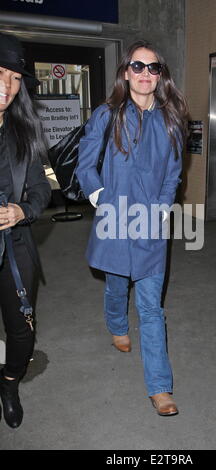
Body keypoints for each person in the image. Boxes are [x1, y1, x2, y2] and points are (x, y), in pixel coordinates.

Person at [76, 40, 188, 415]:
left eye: (152, 68)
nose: (144, 74)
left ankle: (160, 387)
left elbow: (173, 174)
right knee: (116, 285)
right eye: (137, 67)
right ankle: (116, 325)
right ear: (126, 72)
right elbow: (85, 166)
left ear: (160, 76)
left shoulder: (171, 120)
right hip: (114, 218)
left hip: (151, 223)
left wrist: (160, 210)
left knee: (152, 308)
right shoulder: (107, 115)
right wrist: (100, 198)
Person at [0, 33, 51, 428]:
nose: (8, 86)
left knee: (22, 335)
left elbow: (42, 190)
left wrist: (22, 210)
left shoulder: (24, 135)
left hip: (14, 248)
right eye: (0, 74)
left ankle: (9, 383)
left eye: (16, 78)